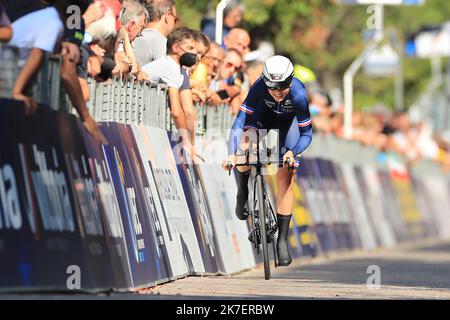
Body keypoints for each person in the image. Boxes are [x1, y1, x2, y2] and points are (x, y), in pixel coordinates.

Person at [222, 55, 313, 266]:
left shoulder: (299, 94)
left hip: (288, 126)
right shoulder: (259, 87)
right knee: (245, 144)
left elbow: (307, 133)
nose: (278, 91)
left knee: (287, 177)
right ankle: (242, 190)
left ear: (290, 80)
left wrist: (293, 152)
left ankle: (282, 241)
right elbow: (240, 121)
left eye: (282, 86)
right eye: (272, 87)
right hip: (262, 117)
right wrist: (230, 153)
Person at [132, 0, 178, 66]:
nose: (174, 24)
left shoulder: (133, 34)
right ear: (168, 16)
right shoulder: (160, 42)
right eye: (175, 20)